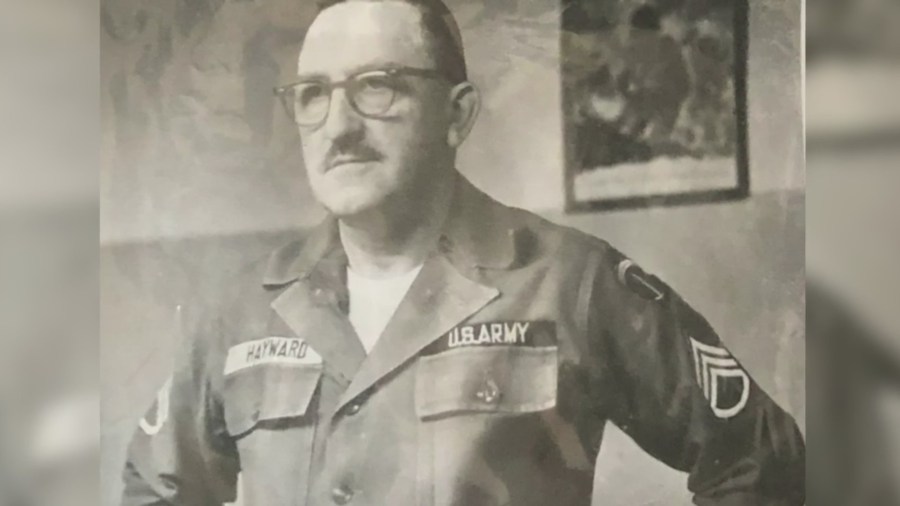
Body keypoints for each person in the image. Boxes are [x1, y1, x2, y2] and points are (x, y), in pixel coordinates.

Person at [121, 0, 805, 504]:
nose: (339, 126)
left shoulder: (571, 282)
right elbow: (155, 490)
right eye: (313, 95)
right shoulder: (242, 311)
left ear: (457, 114)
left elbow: (759, 461)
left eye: (377, 87)